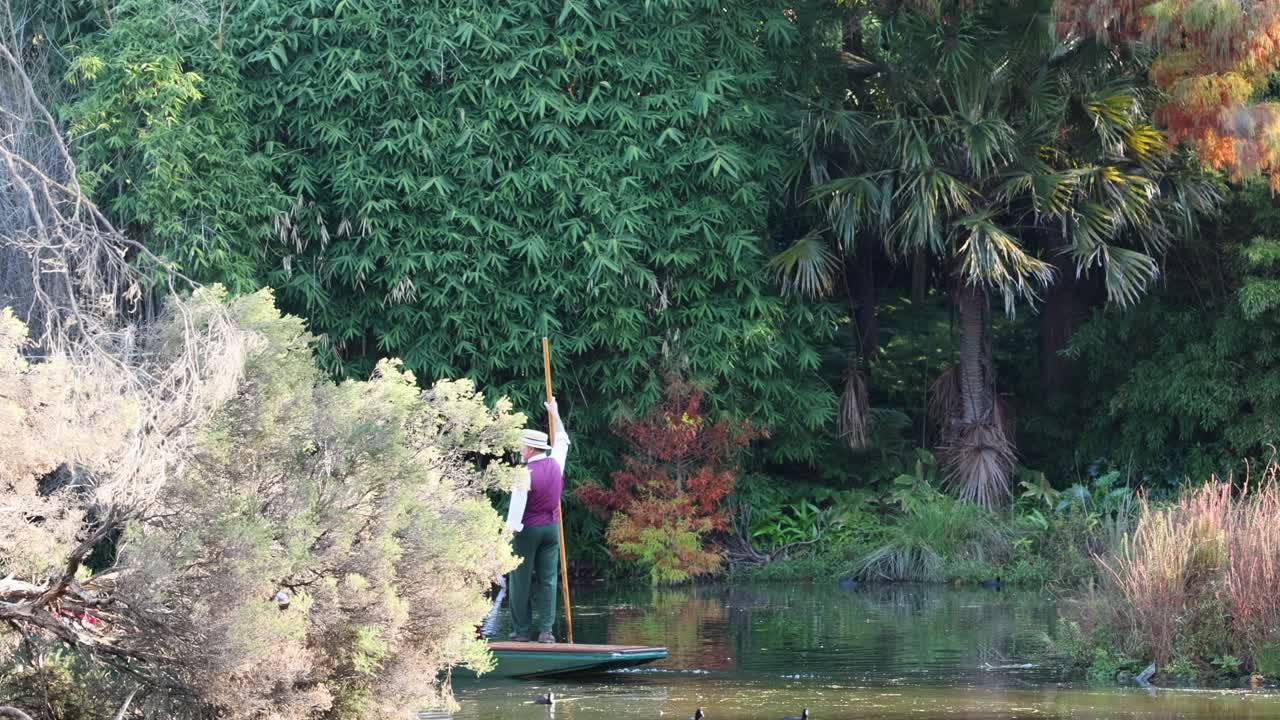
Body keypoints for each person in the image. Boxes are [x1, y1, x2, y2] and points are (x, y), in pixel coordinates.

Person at [504, 397, 570, 643]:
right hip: (552, 529)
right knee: (548, 579)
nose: (520, 450)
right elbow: (562, 439)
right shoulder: (556, 463)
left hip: (527, 529)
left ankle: (521, 631)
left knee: (520, 579)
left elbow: (515, 511)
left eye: (522, 447)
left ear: (531, 449)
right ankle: (546, 631)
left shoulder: (524, 473)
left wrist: (506, 537)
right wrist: (555, 413)